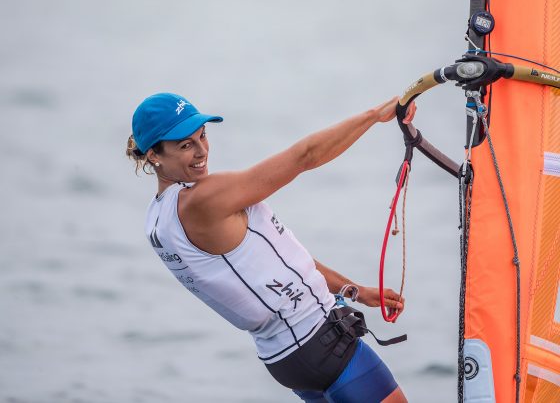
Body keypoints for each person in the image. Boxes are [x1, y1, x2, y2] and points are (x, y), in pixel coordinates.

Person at [126, 92, 416, 402]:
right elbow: (304, 156)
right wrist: (375, 115)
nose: (202, 151)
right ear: (154, 154)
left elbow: (277, 260)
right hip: (320, 341)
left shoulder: (157, 216)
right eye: (186, 145)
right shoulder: (201, 200)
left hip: (285, 358)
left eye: (203, 135)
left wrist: (354, 290)